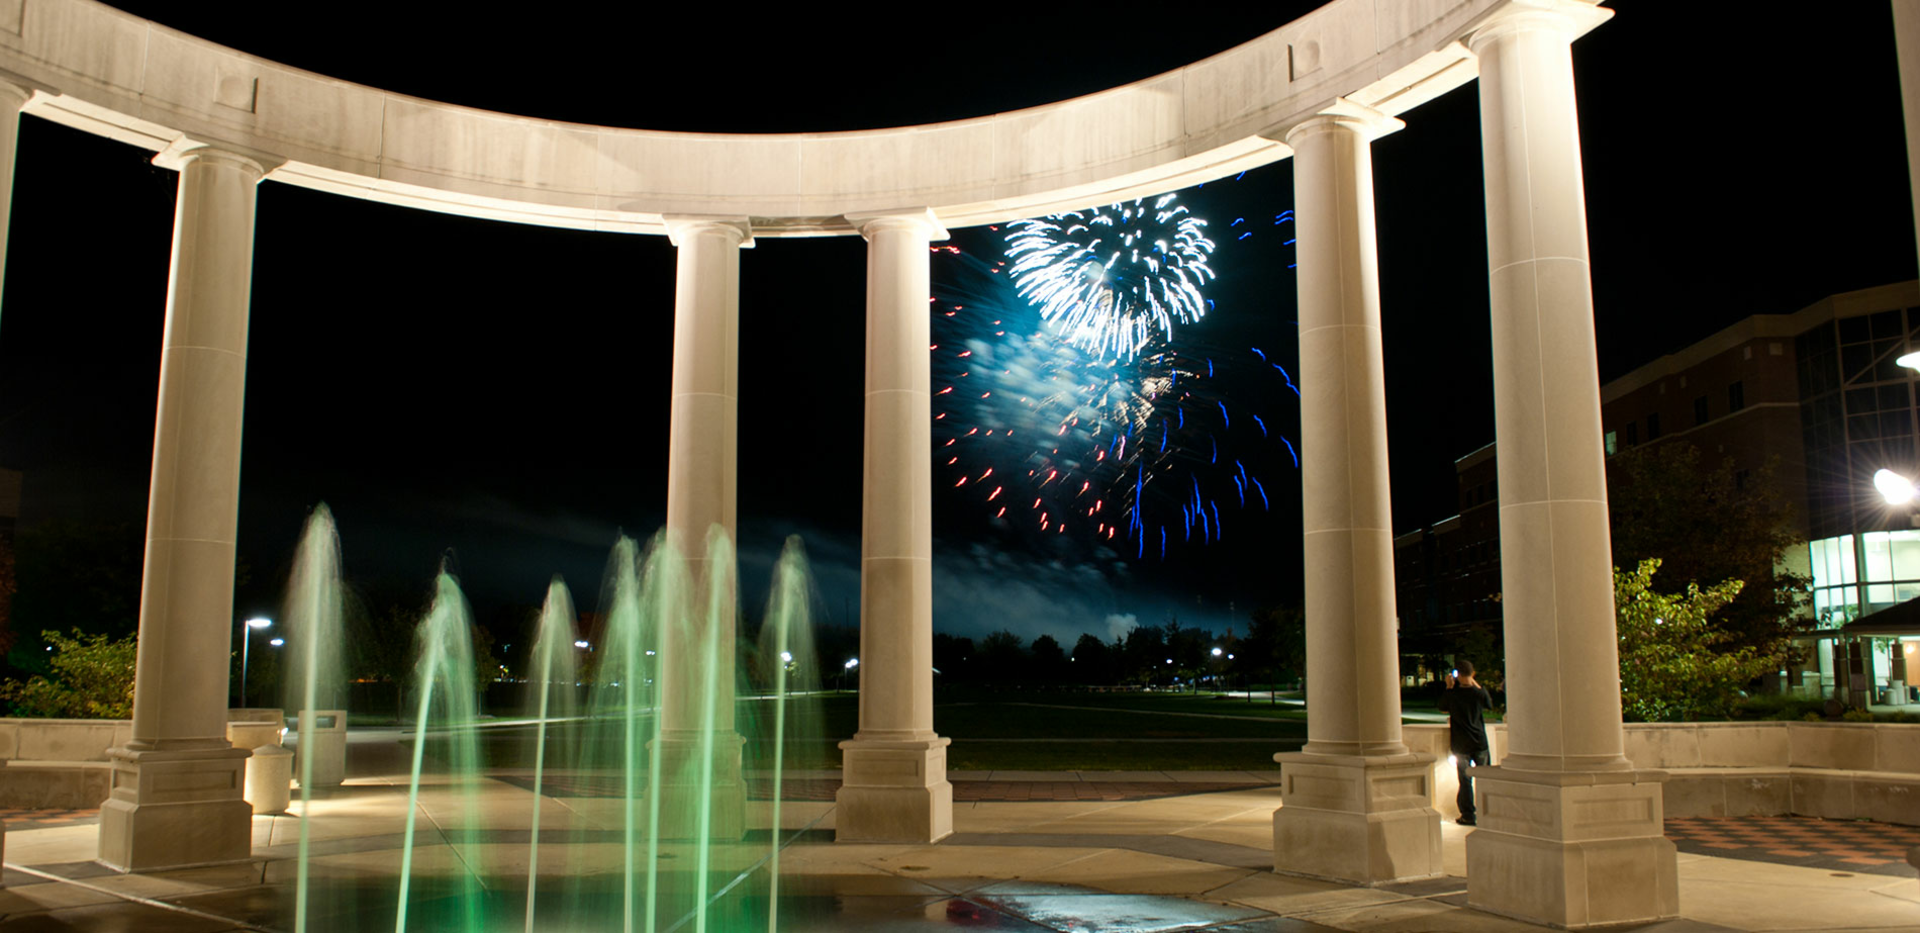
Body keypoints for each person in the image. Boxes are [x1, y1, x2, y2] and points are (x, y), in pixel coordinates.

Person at [1440, 660, 1492, 826]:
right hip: (1480, 742)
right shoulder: (1479, 693)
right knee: (1486, 778)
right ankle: (1489, 812)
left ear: (1458, 675)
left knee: (1465, 781)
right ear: (1473, 673)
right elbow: (1489, 704)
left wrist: (1449, 686)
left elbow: (1442, 706)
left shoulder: (1454, 694)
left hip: (1461, 745)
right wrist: (1473, 682)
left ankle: (1468, 815)